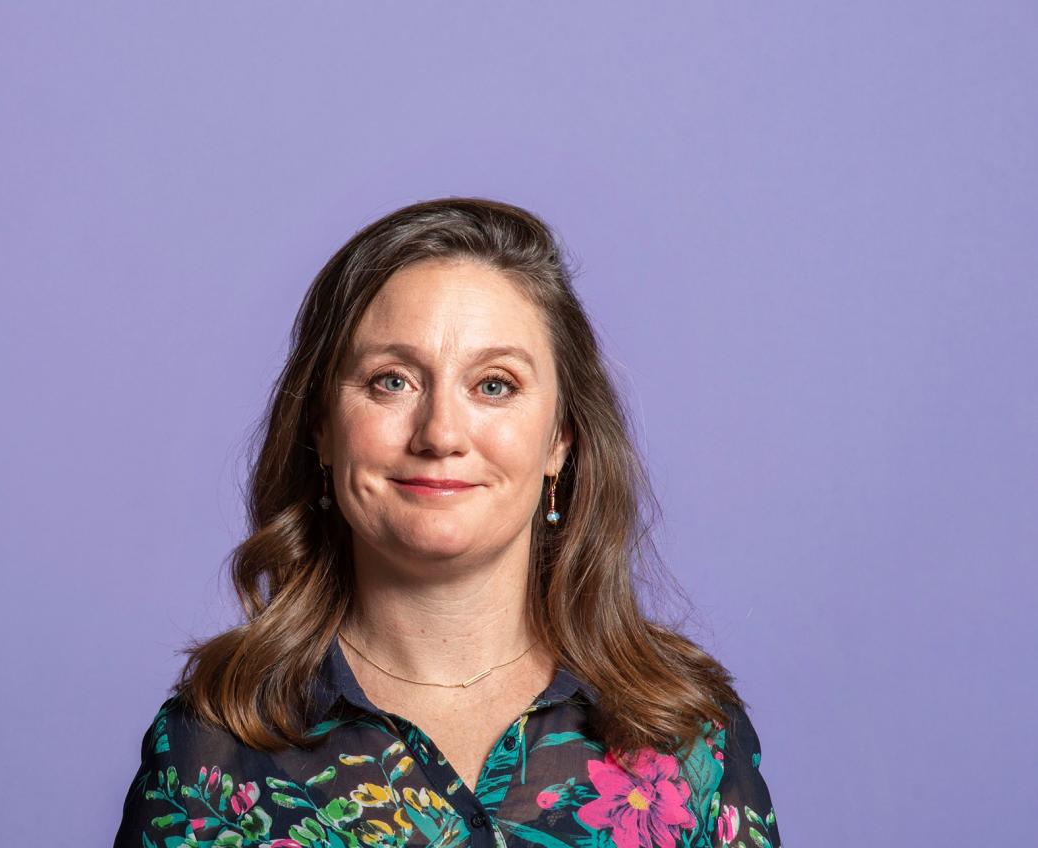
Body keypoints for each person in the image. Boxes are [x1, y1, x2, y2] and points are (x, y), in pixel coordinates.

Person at [112, 197, 782, 848]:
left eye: (494, 385)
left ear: (561, 440)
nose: (439, 433)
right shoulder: (211, 754)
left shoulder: (689, 736)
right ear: (321, 428)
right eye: (391, 381)